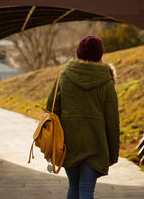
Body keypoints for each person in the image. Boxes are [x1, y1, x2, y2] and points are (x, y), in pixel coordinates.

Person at [46, 35, 120, 199]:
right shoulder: (107, 82)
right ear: (99, 55)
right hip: (95, 146)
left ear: (78, 53)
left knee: (73, 187)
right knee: (86, 190)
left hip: (68, 145)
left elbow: (51, 110)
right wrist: (113, 154)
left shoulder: (63, 76)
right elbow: (112, 121)